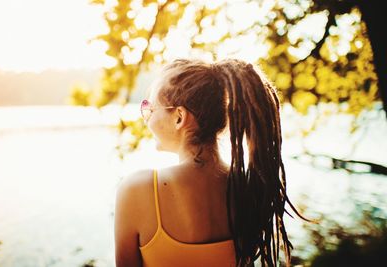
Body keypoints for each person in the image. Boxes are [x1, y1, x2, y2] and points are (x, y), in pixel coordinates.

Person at [114, 58, 303, 267]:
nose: (146, 118)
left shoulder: (137, 189)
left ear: (179, 117)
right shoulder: (247, 187)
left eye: (150, 109)